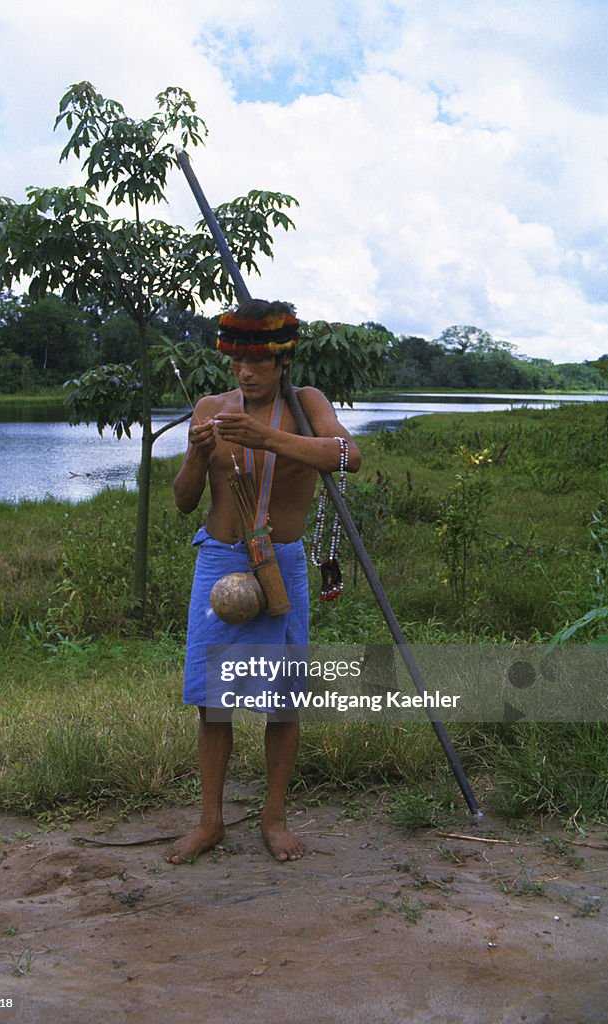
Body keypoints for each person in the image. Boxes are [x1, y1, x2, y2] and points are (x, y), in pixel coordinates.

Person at [168, 299, 361, 864]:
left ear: (281, 360)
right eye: (236, 362)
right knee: (213, 701)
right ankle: (210, 823)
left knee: (282, 699)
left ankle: (273, 819)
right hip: (220, 561)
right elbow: (183, 503)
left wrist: (267, 438)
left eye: (255, 363)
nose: (244, 373)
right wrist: (198, 459)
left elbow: (348, 457)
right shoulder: (210, 408)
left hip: (280, 562)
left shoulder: (306, 406)